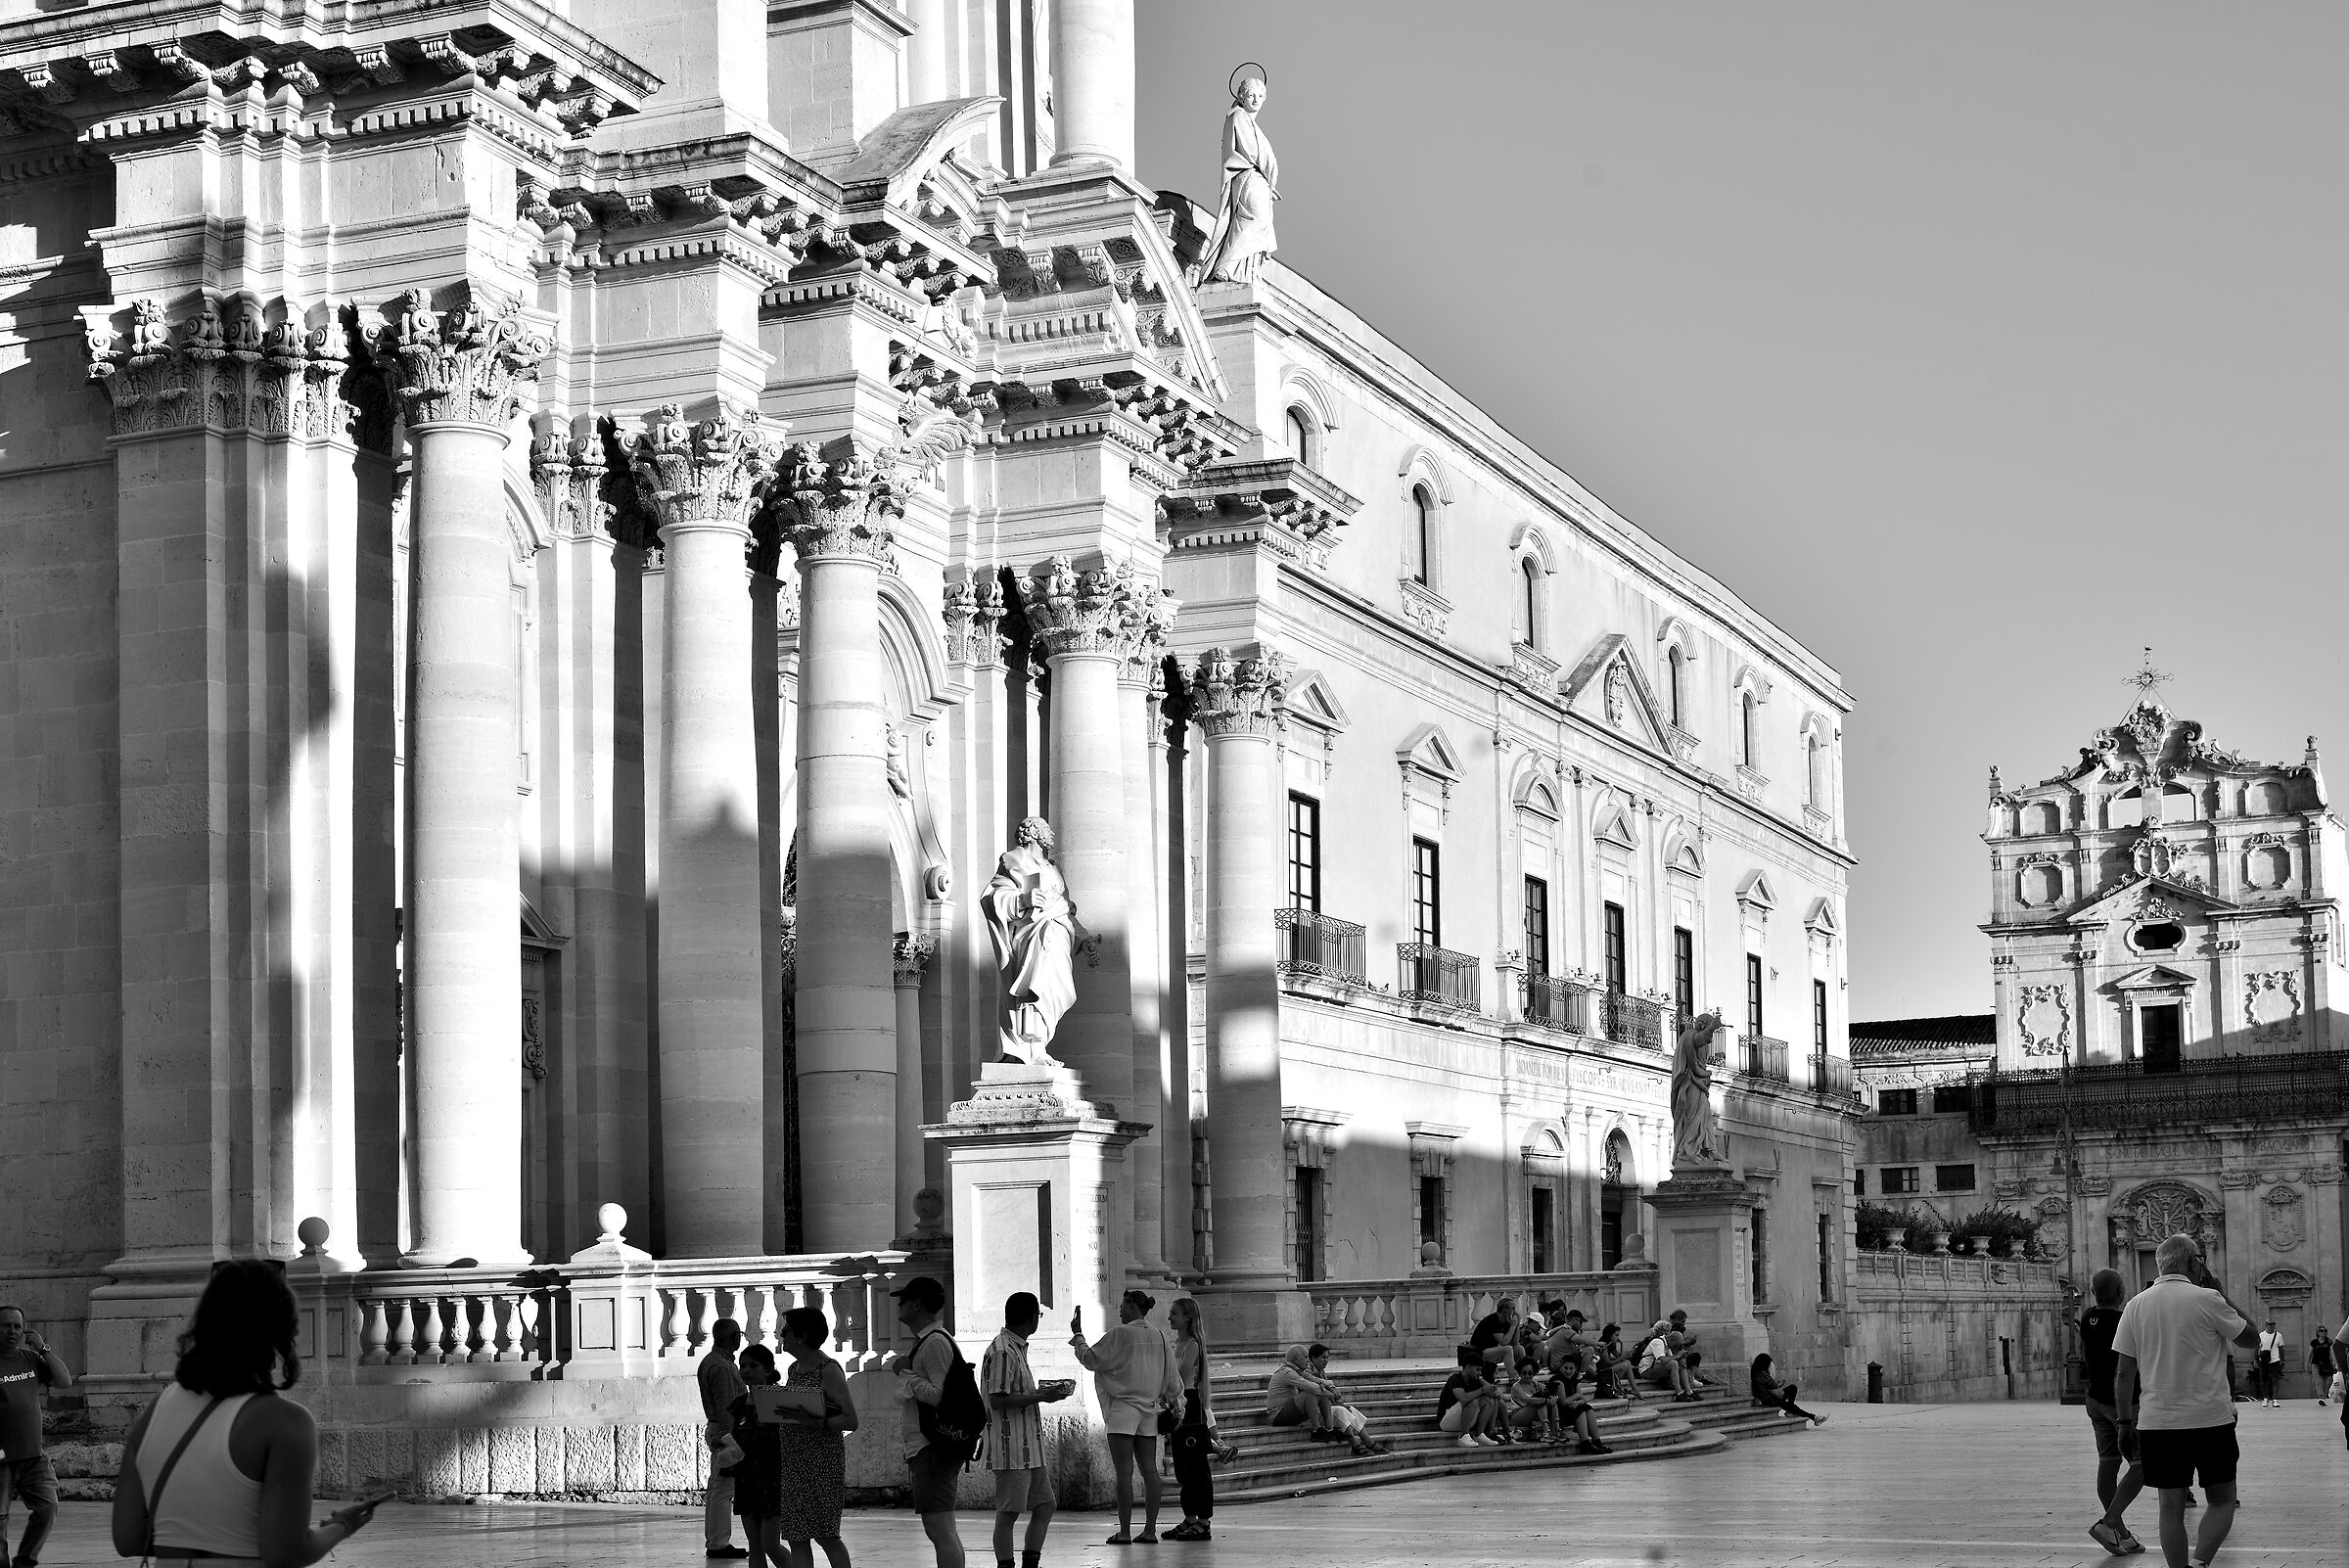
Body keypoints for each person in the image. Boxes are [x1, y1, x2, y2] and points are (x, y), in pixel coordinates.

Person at [109, 1259, 383, 1568]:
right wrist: (340, 1526)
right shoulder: (285, 1422)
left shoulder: (158, 1410)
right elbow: (285, 1553)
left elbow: (128, 1538)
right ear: (280, 1331)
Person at [2112, 1234, 2262, 1568]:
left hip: (2158, 1422)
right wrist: (2221, 1294)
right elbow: (2252, 1338)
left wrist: (2124, 1422)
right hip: (2211, 1419)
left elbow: (2123, 1373)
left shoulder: (2135, 1305)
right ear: (2194, 1262)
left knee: (2170, 1508)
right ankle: (2200, 1562)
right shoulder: (2209, 1299)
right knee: (2222, 1500)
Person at [1071, 1291, 1180, 1545]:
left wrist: (1078, 1336)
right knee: (1150, 1471)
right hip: (1149, 1409)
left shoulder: (1120, 1334)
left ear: (1132, 1306)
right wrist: (1176, 1405)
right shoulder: (1160, 1336)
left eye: (1122, 1306)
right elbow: (1173, 1381)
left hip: (1123, 1409)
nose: (1120, 1311)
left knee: (1124, 1472)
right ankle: (1150, 1530)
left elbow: (1091, 1359)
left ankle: (1124, 1531)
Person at [982, 1292, 1071, 1568]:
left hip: (1029, 1446)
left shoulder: (1016, 1347)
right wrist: (1041, 1397)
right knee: (1008, 1512)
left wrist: (1041, 1393)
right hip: (1010, 1448)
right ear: (1033, 1318)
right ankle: (1005, 1564)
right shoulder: (1002, 1351)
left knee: (1046, 1505)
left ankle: (1031, 1562)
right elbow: (997, 1399)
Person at [887, 1275, 965, 1568]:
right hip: (930, 1448)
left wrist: (906, 1374)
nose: (900, 1304)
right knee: (943, 1529)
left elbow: (938, 1396)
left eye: (904, 1300)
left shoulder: (934, 1343)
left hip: (933, 1447)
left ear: (918, 1304)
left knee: (939, 1529)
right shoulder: (930, 1341)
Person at [774, 1308, 856, 1568]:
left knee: (825, 1534)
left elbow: (850, 1420)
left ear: (802, 1335)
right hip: (794, 1462)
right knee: (797, 1536)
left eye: (786, 1330)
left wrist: (815, 1421)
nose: (781, 1334)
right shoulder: (793, 1369)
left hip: (821, 1464)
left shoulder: (828, 1370)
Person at [2079, 1268, 2147, 1557]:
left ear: (2094, 1293)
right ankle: (2108, 1524)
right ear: (2121, 1293)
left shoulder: (2087, 1317)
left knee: (2108, 1462)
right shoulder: (2125, 1320)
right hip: (2122, 1404)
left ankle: (2120, 1532)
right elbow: (2129, 1364)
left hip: (2094, 1399)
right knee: (2143, 1465)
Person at [0, 1305, 70, 1568]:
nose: (12, 1332)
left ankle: (24, 1562)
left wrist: (43, 1348)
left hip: (33, 1457)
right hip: (1, 1458)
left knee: (47, 1509)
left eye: (17, 1326)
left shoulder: (30, 1359)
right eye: (6, 1325)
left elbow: (64, 1382)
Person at [1197, 73, 1279, 284]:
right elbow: (1252, 152)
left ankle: (1243, 273)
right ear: (1241, 97)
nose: (1255, 100)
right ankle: (1227, 265)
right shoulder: (1238, 116)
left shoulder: (1252, 124)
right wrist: (1270, 172)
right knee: (1255, 221)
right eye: (1251, 95)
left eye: (1260, 96)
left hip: (1258, 180)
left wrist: (1270, 183)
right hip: (1248, 177)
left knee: (1256, 223)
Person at [1164, 1299, 1224, 1543]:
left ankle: (1203, 1521)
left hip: (1189, 1405)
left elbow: (1178, 1376)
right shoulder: (1178, 1342)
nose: (1170, 1318)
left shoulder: (1192, 1344)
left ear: (1187, 1317)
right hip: (1177, 1402)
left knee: (1197, 1467)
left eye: (1174, 1313)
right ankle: (1189, 1517)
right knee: (1182, 1468)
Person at [726, 1345, 787, 1568]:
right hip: (746, 1479)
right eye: (742, 1365)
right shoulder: (739, 1404)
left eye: (753, 1365)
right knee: (755, 1545)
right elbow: (734, 1437)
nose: (746, 1370)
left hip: (772, 1479)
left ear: (769, 1369)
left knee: (770, 1543)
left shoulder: (779, 1399)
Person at [700, 1316, 751, 1559]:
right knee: (723, 1489)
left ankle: (715, 1540)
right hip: (726, 1431)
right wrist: (731, 1439)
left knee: (717, 1489)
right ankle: (719, 1543)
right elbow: (728, 1407)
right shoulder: (724, 1367)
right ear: (733, 1338)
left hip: (717, 1428)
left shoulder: (711, 1362)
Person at [1304, 1345, 1390, 1456]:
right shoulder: (1308, 1373)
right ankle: (1355, 1444)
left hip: (1326, 1407)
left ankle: (1369, 1442)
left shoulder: (1321, 1372)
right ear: (1313, 1358)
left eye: (1327, 1357)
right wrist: (1333, 1395)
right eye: (1323, 1357)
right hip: (1315, 1411)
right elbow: (1319, 1392)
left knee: (1350, 1409)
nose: (1326, 1360)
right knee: (1341, 1411)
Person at [1265, 1344, 1338, 1439]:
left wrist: (1331, 1387)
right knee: (1310, 1393)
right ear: (1296, 1359)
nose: (1308, 1361)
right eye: (1306, 1357)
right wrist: (1331, 1394)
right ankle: (1316, 1431)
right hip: (1277, 1416)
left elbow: (1317, 1380)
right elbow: (1312, 1387)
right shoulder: (1287, 1372)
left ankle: (1330, 1429)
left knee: (1322, 1394)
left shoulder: (1298, 1372)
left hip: (1290, 1412)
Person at [1436, 1360, 1506, 1447]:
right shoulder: (1455, 1379)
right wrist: (1482, 1390)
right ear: (1468, 1367)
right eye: (1477, 1370)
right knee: (1471, 1401)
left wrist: (1481, 1380)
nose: (1479, 1373)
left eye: (1481, 1370)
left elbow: (1495, 1394)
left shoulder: (1475, 1380)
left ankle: (1479, 1435)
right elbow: (1463, 1398)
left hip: (1464, 1420)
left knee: (1489, 1400)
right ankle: (1463, 1436)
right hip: (1446, 1422)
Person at [1748, 1354, 1827, 1429]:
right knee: (1792, 1390)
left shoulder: (1757, 1374)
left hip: (1769, 1398)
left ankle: (1813, 1417)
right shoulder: (1761, 1374)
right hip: (1769, 1400)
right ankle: (1813, 1417)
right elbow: (1774, 1386)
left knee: (1790, 1403)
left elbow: (1770, 1387)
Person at [1637, 1320, 1698, 1401]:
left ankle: (1689, 1391)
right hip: (1646, 1370)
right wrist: (1677, 1355)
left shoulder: (1667, 1344)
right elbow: (1662, 1360)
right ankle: (1679, 1392)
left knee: (1681, 1363)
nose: (1675, 1347)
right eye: (1676, 1345)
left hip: (1656, 1368)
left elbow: (1670, 1357)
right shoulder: (1658, 1342)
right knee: (1673, 1364)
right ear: (1671, 1340)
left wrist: (1680, 1358)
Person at [2254, 1320, 2283, 1407]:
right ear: (2266, 1325)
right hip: (2264, 1360)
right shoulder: (2261, 1335)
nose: (2272, 1326)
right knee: (2264, 1380)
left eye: (2273, 1324)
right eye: (2270, 1324)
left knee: (2275, 1379)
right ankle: (2265, 1398)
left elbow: (2281, 1348)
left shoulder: (2278, 1335)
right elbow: (2257, 1348)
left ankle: (2274, 1399)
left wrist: (2282, 1360)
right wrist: (2255, 1360)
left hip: (2275, 1360)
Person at [2308, 1326, 2334, 1407]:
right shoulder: (2314, 1342)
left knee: (2326, 1382)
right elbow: (2310, 1353)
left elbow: (2331, 1352)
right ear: (2318, 1333)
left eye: (2324, 1331)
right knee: (2319, 1381)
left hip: (2326, 1364)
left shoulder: (2328, 1342)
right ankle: (2321, 1397)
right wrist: (2308, 1363)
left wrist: (2333, 1362)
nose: (2323, 1332)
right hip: (2316, 1364)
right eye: (2321, 1331)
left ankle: (2324, 1398)